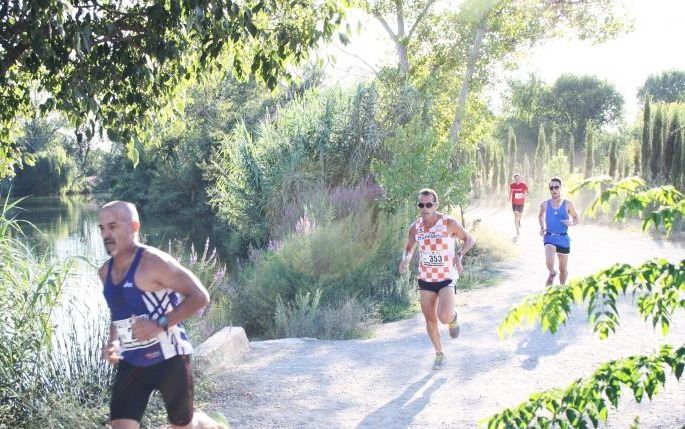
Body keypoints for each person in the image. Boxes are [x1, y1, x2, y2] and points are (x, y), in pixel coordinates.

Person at [98, 201, 210, 429]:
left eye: (113, 226)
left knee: (183, 425)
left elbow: (200, 296)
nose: (106, 234)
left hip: (170, 358)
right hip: (132, 361)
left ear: (134, 227)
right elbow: (117, 312)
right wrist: (113, 341)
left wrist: (159, 324)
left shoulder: (154, 262)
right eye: (102, 228)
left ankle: (206, 423)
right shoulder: (104, 272)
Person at [399, 189, 476, 369]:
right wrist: (405, 261)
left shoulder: (449, 223)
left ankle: (453, 318)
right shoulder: (415, 227)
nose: (424, 208)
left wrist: (459, 255)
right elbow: (409, 248)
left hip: (446, 277)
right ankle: (439, 354)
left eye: (428, 205)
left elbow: (470, 239)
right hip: (426, 278)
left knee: (444, 316)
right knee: (430, 320)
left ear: (436, 205)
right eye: (421, 205)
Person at [538, 177, 579, 286]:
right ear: (549, 189)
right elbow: (540, 216)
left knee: (563, 269)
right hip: (549, 237)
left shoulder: (568, 204)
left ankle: (562, 288)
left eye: (556, 187)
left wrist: (572, 223)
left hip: (563, 238)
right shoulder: (545, 204)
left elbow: (576, 218)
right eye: (551, 188)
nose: (554, 190)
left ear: (560, 188)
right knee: (549, 263)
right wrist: (542, 227)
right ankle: (552, 272)